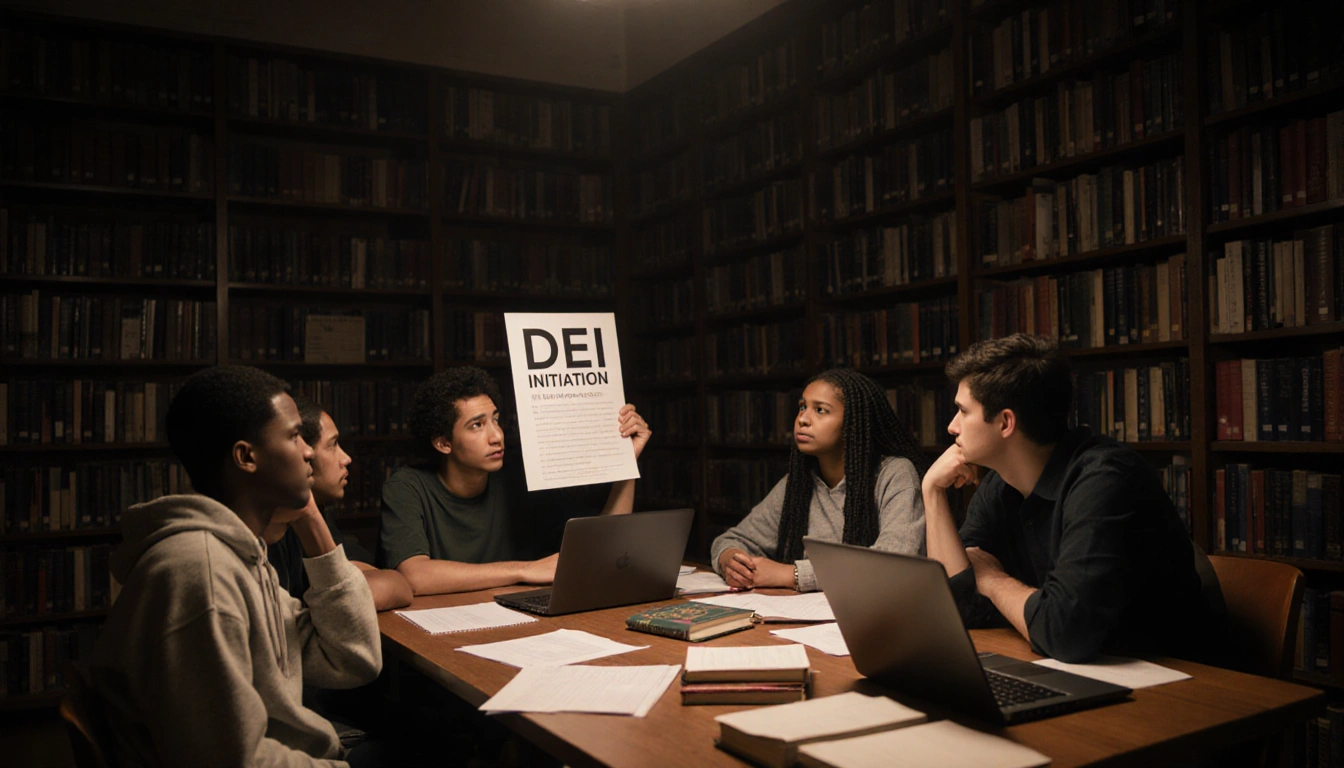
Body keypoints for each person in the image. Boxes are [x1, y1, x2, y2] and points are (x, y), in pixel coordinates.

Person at [90, 365, 382, 766]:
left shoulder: (242, 556)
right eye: (294, 436)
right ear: (246, 457)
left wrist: (311, 516)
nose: (309, 452)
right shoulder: (202, 572)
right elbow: (231, 759)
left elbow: (352, 660)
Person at [922, 333, 1224, 663]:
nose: (952, 426)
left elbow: (1065, 633)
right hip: (1086, 670)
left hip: (1176, 677)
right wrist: (932, 492)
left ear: (1006, 422)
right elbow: (958, 607)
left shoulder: (1104, 480)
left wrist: (991, 579)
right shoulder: (1000, 483)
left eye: (963, 411)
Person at [378, 365, 652, 595]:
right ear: (443, 443)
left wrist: (626, 463)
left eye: (495, 420)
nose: (497, 435)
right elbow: (415, 576)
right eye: (477, 425)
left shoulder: (518, 477)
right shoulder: (407, 486)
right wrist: (525, 570)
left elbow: (600, 545)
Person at [711, 368, 928, 592]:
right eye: (802, 407)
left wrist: (792, 574)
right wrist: (730, 560)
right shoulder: (798, 483)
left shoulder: (895, 474)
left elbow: (895, 562)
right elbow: (731, 540)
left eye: (820, 410)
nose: (803, 419)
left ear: (853, 422)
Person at [266, 397, 412, 612]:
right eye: (332, 445)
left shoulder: (314, 514)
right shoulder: (274, 533)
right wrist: (340, 598)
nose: (346, 458)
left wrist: (338, 597)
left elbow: (396, 584)